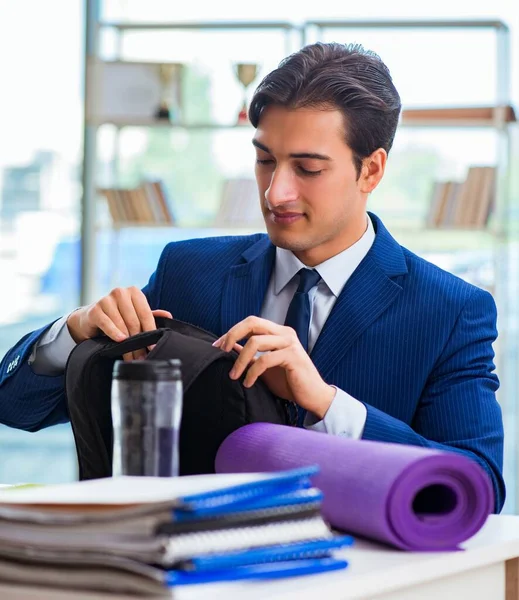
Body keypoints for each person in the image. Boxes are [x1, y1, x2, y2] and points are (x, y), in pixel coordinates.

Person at [0, 42, 505, 509]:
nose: (275, 192)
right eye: (265, 160)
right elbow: (17, 407)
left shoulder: (450, 310)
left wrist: (327, 404)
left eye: (307, 169)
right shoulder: (188, 273)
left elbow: (477, 487)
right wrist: (74, 333)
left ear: (371, 170)